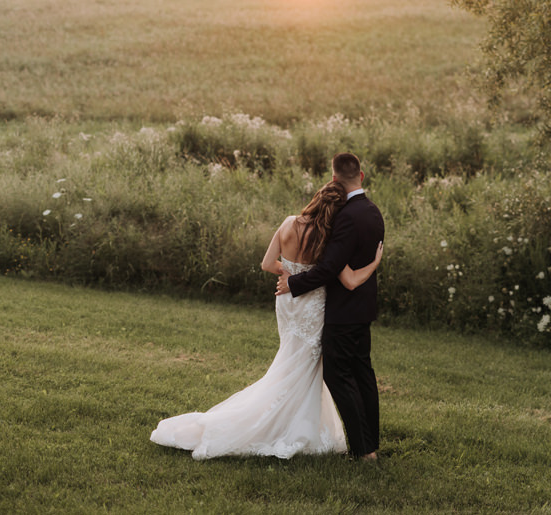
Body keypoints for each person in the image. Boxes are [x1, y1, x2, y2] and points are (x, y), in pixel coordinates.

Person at [150, 181, 383, 460]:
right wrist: (373, 263)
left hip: (286, 303)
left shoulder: (287, 223)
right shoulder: (326, 237)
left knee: (290, 360)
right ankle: (295, 427)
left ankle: (289, 421)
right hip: (311, 303)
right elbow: (344, 278)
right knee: (305, 366)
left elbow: (266, 263)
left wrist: (289, 273)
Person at [276, 153, 385, 461]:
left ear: (335, 178)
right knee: (363, 375)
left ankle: (364, 451)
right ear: (361, 176)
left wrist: (293, 284)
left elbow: (329, 269)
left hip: (342, 312)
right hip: (363, 309)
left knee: (338, 376)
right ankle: (370, 444)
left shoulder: (345, 216)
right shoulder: (374, 212)